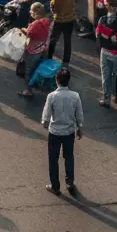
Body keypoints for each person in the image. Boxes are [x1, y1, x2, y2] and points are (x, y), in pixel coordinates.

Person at [42, 66, 84, 196]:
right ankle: (70, 182)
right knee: (69, 157)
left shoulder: (52, 96)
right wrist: (80, 129)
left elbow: (46, 118)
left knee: (53, 160)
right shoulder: (75, 96)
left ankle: (55, 186)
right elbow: (79, 115)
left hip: (54, 133)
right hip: (69, 132)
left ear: (56, 80)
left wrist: (45, 123)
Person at [19, 2, 51, 97]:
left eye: (32, 11)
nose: (30, 12)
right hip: (44, 49)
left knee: (29, 70)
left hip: (34, 51)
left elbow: (29, 34)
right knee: (40, 69)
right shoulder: (47, 21)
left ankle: (28, 90)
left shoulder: (35, 24)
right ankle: (43, 87)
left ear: (36, 14)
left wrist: (23, 29)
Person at [48, 0, 76, 66]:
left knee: (53, 40)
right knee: (68, 41)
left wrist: (51, 3)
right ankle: (66, 61)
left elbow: (55, 8)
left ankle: (49, 57)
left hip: (60, 20)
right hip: (70, 18)